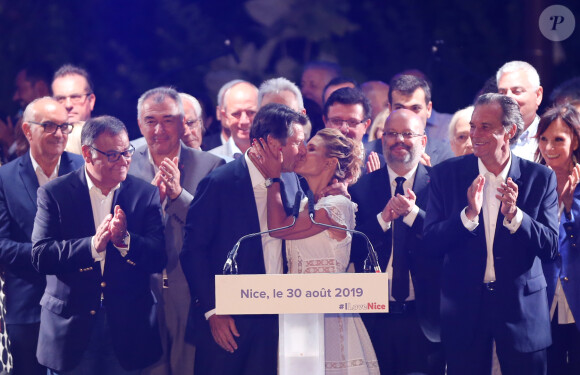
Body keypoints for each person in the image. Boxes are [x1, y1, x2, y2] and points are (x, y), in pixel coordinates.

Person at [424, 93, 559, 375]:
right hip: (464, 310)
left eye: (485, 126)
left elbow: (550, 247)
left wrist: (516, 216)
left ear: (508, 131)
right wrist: (467, 216)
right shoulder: (445, 175)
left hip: (522, 311)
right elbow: (431, 244)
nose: (475, 134)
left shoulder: (540, 177)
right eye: (473, 126)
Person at [31, 115, 166, 375]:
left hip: (129, 328)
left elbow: (159, 257)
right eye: (113, 155)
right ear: (87, 153)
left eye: (127, 152)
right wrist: (92, 245)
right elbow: (40, 256)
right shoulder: (54, 193)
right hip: (72, 328)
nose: (124, 160)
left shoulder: (143, 193)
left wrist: (125, 241)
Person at [180, 103, 307, 375]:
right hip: (229, 323)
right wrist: (213, 311)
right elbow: (193, 252)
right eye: (298, 142)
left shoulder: (292, 181)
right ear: (273, 143)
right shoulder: (220, 182)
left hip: (275, 319)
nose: (303, 150)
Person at [250, 127, 379, 374]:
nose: (301, 152)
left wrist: (273, 177)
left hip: (329, 316)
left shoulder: (338, 205)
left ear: (329, 163)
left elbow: (277, 229)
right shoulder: (306, 203)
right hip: (298, 315)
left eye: (311, 149)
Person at [129, 87, 224, 375]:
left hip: (191, 291)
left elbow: (213, 229)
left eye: (168, 120)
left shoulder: (210, 166)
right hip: (143, 290)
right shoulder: (124, 164)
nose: (159, 129)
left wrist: (179, 195)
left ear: (183, 123)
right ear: (140, 124)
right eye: (151, 120)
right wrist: (153, 205)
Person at [349, 109, 443, 375]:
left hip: (424, 320)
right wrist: (383, 218)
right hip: (374, 319)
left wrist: (413, 215)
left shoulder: (441, 186)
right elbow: (351, 248)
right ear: (382, 140)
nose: (398, 140)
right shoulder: (361, 188)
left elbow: (448, 241)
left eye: (407, 134)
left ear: (423, 141)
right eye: (391, 134)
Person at [0, 97, 84, 375]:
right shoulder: (5, 178)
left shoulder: (87, 169)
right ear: (27, 130)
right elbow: (2, 246)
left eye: (64, 126)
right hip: (27, 309)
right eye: (49, 126)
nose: (59, 134)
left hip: (80, 308)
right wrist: (49, 254)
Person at [536, 104, 580, 375]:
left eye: (558, 139)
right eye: (543, 139)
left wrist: (569, 207)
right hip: (542, 300)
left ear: (575, 140)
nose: (549, 147)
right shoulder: (530, 180)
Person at [323, 87, 384, 173]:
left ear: (366, 126)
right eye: (336, 121)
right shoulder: (309, 163)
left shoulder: (384, 167)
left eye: (352, 122)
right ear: (325, 122)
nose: (344, 129)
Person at [496, 61, 543, 161]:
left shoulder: (550, 137)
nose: (508, 97)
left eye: (517, 91)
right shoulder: (489, 137)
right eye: (502, 92)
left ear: (538, 95)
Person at [51, 64, 96, 155]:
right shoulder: (44, 153)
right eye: (61, 99)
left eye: (75, 97)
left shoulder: (110, 146)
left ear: (91, 101)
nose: (68, 105)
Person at [209, 81, 258, 159]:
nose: (244, 121)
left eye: (251, 112)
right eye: (236, 114)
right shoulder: (211, 160)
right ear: (225, 116)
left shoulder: (278, 158)